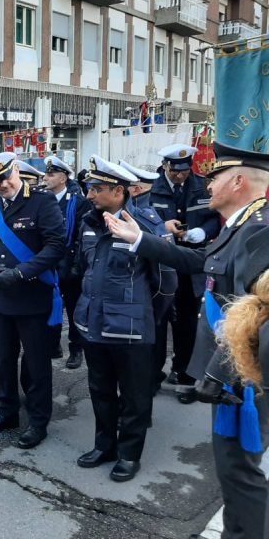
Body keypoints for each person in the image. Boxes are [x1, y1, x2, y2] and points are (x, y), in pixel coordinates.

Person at [105, 142, 269, 538]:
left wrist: (216, 373)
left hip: (241, 379)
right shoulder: (244, 225)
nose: (207, 186)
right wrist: (140, 239)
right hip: (233, 375)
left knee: (240, 472)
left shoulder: (260, 230)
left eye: (215, 178)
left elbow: (261, 315)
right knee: (232, 471)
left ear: (238, 182)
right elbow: (201, 262)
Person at [72, 156, 162, 482]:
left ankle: (129, 454)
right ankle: (105, 445)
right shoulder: (89, 223)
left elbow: (164, 284)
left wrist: (143, 317)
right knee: (101, 390)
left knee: (135, 397)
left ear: (119, 191)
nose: (90, 195)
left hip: (132, 329)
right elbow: (85, 270)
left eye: (97, 189)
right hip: (94, 324)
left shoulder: (146, 224)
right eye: (89, 188)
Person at [0, 152, 64, 449]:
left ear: (17, 172)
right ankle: (7, 411)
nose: (1, 185)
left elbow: (55, 246)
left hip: (32, 297)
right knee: (3, 360)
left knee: (36, 365)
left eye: (5, 178)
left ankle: (38, 421)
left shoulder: (42, 201)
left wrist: (21, 274)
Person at [151, 144, 222, 400]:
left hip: (192, 266)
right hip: (162, 266)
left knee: (188, 324)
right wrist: (162, 227)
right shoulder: (152, 188)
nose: (180, 175)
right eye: (175, 171)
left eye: (184, 170)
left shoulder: (202, 186)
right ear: (165, 166)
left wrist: (203, 232)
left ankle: (185, 375)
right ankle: (153, 374)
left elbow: (215, 217)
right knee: (158, 323)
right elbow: (142, 219)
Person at [119, 159, 179, 395]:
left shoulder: (144, 220)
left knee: (143, 356)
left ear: (134, 190)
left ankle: (146, 390)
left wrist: (155, 306)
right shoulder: (142, 216)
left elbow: (166, 275)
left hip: (145, 302)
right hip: (135, 304)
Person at [43, 156, 92, 368]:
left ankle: (76, 347)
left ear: (63, 178)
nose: (46, 178)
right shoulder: (42, 200)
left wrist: (76, 266)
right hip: (48, 264)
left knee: (73, 309)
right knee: (49, 306)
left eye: (51, 174)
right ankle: (53, 344)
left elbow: (82, 237)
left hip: (70, 264)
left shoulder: (78, 202)